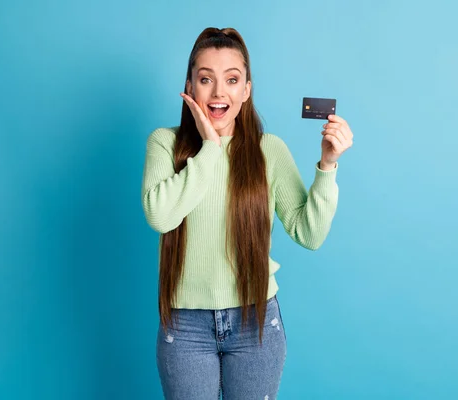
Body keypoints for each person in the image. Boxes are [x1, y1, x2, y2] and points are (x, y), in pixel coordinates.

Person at [141, 27, 353, 400]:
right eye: (206, 79)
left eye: (232, 80)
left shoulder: (268, 150)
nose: (219, 92)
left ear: (246, 91)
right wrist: (209, 147)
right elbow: (160, 216)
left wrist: (327, 165)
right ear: (189, 86)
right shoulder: (165, 143)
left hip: (253, 324)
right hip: (185, 325)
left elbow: (309, 234)